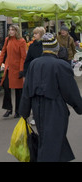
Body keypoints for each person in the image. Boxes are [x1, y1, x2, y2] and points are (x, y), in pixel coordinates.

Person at [19, 33, 82, 162]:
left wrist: (24, 112)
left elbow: (27, 90)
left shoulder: (34, 64)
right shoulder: (61, 65)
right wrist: (79, 107)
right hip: (55, 107)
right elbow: (70, 91)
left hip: (37, 108)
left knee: (47, 137)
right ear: (56, 49)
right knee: (52, 141)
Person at [0, 24, 27, 118]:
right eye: (10, 30)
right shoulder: (7, 39)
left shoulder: (21, 41)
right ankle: (8, 108)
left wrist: (22, 70)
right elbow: (3, 52)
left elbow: (23, 57)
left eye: (13, 30)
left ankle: (18, 111)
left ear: (16, 31)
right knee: (6, 88)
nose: (10, 31)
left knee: (18, 91)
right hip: (8, 68)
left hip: (17, 69)